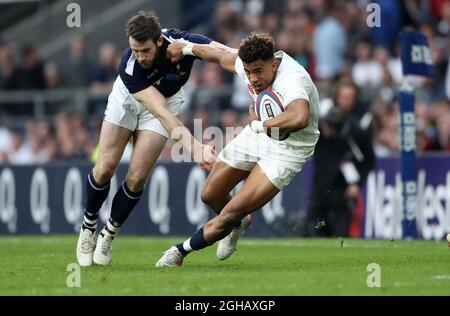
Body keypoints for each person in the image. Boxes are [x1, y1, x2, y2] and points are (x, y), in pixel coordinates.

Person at [156, 32, 320, 267]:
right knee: (210, 195)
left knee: (229, 213)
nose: (253, 78)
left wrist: (258, 124)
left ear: (274, 64)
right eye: (249, 72)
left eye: (258, 71)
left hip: (289, 149)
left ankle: (178, 252)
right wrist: (186, 48)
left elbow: (300, 117)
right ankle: (240, 222)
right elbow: (219, 55)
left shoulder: (293, 79)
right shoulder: (249, 66)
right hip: (258, 135)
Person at [76, 11, 217, 267]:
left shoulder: (182, 42)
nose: (139, 57)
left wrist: (245, 59)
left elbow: (221, 52)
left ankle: (108, 234)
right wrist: (195, 148)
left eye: (145, 51)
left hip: (167, 99)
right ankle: (88, 226)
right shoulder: (129, 68)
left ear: (159, 42)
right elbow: (161, 113)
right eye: (134, 50)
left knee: (138, 176)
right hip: (129, 98)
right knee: (105, 166)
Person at [305, 105, 375, 237]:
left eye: (329, 125)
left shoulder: (355, 136)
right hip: (320, 190)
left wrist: (357, 183)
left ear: (338, 127)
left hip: (342, 192)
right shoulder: (318, 134)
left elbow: (368, 160)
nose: (325, 128)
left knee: (342, 234)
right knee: (317, 230)